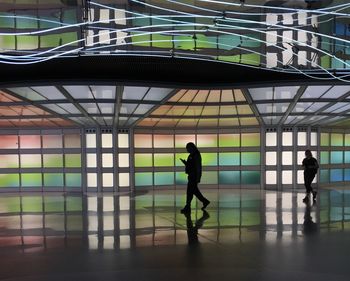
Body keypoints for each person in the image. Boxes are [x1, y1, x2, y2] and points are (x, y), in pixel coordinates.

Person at [180, 142, 210, 213]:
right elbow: (191, 165)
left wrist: (198, 177)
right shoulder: (191, 155)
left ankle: (188, 207)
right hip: (191, 176)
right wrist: (185, 163)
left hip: (194, 176)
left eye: (187, 148)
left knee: (190, 192)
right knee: (194, 191)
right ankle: (204, 201)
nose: (187, 150)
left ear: (191, 148)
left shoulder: (196, 155)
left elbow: (198, 167)